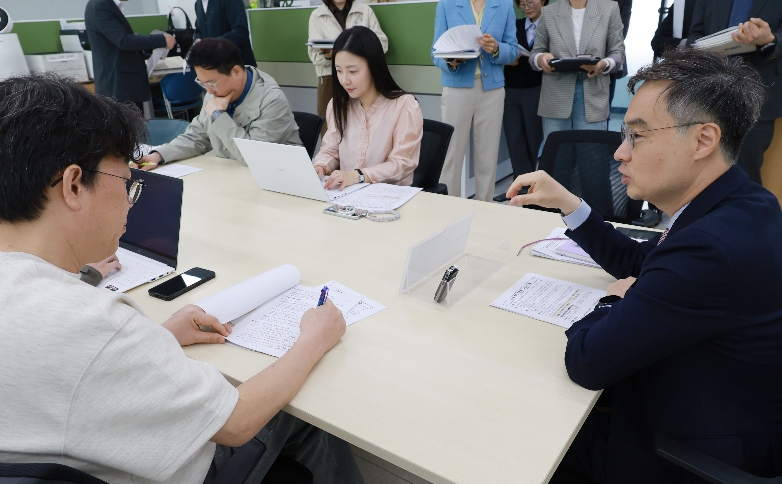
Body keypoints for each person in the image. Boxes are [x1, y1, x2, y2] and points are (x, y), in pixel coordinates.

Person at [0, 74, 364, 484]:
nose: (129, 201)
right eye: (127, 183)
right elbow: (236, 421)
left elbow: (70, 367)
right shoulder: (94, 323)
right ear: (73, 185)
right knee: (310, 417)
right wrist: (314, 338)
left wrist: (159, 336)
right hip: (180, 469)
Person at [507, 48, 782, 483]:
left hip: (682, 452)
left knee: (520, 427)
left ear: (703, 140)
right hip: (717, 407)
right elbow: (644, 263)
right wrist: (569, 204)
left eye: (637, 136)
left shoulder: (711, 249)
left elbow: (588, 360)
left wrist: (613, 302)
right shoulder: (744, 202)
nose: (619, 153)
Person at [138, 38, 301, 170]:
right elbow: (196, 137)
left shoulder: (271, 99)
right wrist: (158, 155)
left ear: (236, 72)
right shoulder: (216, 91)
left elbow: (254, 157)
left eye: (211, 83)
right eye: (202, 83)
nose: (209, 91)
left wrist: (218, 116)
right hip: (231, 173)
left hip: (276, 177)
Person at [686, 1, 782, 185]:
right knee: (699, 173)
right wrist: (701, 48)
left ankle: (746, 214)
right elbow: (694, 35)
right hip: (707, 92)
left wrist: (769, 40)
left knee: (742, 175)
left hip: (758, 96)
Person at [313, 26, 422, 189]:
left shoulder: (404, 106)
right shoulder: (338, 105)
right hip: (348, 199)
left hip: (390, 200)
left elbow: (402, 163)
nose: (344, 80)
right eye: (339, 71)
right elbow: (330, 150)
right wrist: (320, 166)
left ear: (373, 66)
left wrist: (359, 175)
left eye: (352, 71)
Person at [432, 0, 519, 202]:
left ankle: (484, 210)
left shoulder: (504, 5)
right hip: (456, 88)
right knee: (451, 156)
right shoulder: (447, 4)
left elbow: (513, 51)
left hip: (492, 91)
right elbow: (435, 52)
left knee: (487, 158)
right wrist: (450, 61)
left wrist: (497, 48)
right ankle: (448, 208)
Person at [530, 0, 625, 151]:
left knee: (592, 159)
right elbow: (536, 52)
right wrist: (541, 59)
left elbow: (618, 53)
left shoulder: (609, 8)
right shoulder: (549, 11)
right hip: (556, 95)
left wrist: (604, 64)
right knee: (557, 160)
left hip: (593, 93)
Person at [494, 0, 547, 203]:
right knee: (514, 137)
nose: (527, 6)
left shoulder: (551, 25)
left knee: (533, 138)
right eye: (522, 3)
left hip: (537, 88)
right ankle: (520, 187)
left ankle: (528, 186)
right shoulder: (513, 26)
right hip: (510, 88)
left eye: (531, 1)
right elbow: (504, 51)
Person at [308, 0, 388, 136]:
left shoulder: (364, 11)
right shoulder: (317, 15)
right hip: (330, 79)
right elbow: (314, 56)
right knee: (331, 130)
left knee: (368, 128)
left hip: (363, 79)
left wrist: (351, 51)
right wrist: (331, 56)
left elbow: (382, 45)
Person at [84, 0, 177, 112]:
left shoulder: (107, 5)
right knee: (128, 127)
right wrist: (162, 40)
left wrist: (148, 54)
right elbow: (123, 41)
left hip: (124, 87)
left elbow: (116, 47)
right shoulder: (100, 5)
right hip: (117, 88)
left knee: (135, 126)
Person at [194, 0, 257, 68]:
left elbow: (241, 31)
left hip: (236, 65)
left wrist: (214, 45)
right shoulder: (198, 4)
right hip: (216, 66)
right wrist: (198, 40)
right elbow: (199, 30)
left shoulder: (230, 1)